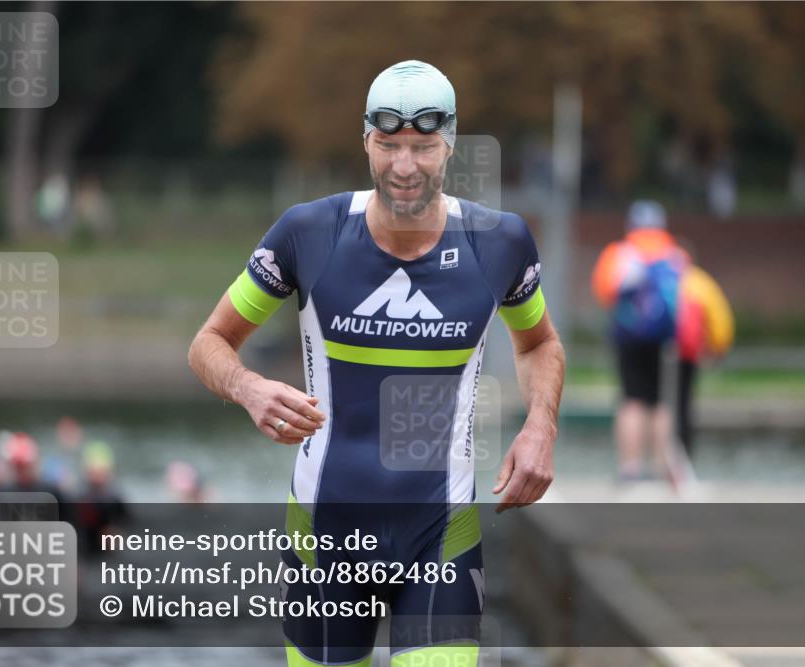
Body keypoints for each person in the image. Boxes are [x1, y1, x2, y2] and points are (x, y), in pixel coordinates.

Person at [189, 60, 565, 667]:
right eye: (388, 144)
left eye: (422, 146)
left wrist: (541, 425)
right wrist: (250, 388)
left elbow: (540, 343)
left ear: (450, 145)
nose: (404, 166)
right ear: (365, 139)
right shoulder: (310, 232)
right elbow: (209, 341)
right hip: (324, 534)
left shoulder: (498, 242)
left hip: (439, 534)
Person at [591, 200, 689, 482]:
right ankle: (662, 466)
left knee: (632, 399)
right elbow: (687, 299)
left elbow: (603, 291)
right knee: (660, 402)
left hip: (628, 337)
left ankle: (630, 467)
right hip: (665, 339)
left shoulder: (620, 253)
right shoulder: (675, 254)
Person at [676, 264, 734, 456]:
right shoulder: (700, 281)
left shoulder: (654, 279)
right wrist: (718, 349)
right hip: (687, 353)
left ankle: (647, 461)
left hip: (653, 352)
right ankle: (682, 454)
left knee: (652, 404)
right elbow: (720, 319)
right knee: (683, 403)